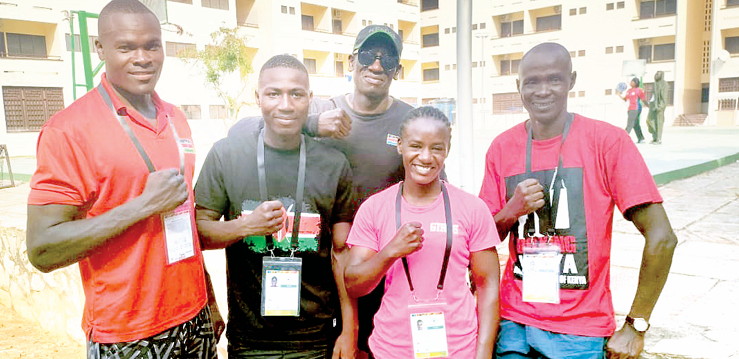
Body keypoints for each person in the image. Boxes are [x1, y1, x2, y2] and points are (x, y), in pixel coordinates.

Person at [25, 1, 220, 357]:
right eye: (126, 47)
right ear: (101, 49)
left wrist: (207, 296)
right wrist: (143, 206)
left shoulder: (175, 117)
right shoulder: (69, 130)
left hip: (194, 317)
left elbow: (183, 220)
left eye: (152, 45)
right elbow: (42, 248)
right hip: (128, 331)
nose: (143, 57)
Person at [479, 42, 677, 359]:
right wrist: (512, 210)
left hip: (579, 333)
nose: (542, 91)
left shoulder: (607, 141)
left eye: (554, 79)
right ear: (519, 86)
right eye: (532, 81)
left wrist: (635, 325)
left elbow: (662, 237)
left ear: (571, 81)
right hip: (514, 325)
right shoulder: (502, 148)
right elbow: (484, 237)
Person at [229, 25, 415, 356]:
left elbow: (430, 186)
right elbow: (247, 127)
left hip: (384, 267)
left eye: (387, 59)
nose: (376, 66)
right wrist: (311, 125)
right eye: (368, 56)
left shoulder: (409, 120)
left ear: (397, 70)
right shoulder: (318, 109)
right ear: (350, 61)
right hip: (328, 267)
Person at [194, 54, 358, 359]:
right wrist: (246, 226)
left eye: (296, 94)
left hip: (315, 337)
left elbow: (342, 254)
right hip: (250, 338)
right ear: (258, 98)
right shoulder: (226, 155)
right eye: (273, 93)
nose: (285, 104)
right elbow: (198, 235)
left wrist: (350, 330)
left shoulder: (334, 164)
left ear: (310, 99)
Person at [345, 106, 501, 359]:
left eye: (436, 148)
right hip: (391, 350)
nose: (426, 157)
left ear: (447, 150)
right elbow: (353, 285)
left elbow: (488, 285)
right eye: (416, 146)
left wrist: (483, 353)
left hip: (459, 350)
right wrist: (390, 251)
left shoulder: (472, 208)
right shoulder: (374, 208)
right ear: (400, 146)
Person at [618, 77, 647, 143]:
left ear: (636, 83)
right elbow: (625, 99)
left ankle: (623, 138)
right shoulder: (629, 91)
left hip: (635, 109)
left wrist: (648, 106)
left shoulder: (639, 90)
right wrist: (619, 95)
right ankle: (641, 138)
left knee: (630, 124)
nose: (630, 83)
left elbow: (643, 99)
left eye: (632, 81)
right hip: (630, 109)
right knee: (635, 124)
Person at [647, 71, 668, 144]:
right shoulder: (654, 84)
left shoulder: (664, 84)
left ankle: (658, 139)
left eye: (658, 74)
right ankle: (654, 137)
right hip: (653, 105)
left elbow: (664, 96)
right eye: (656, 74)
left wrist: (661, 106)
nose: (656, 75)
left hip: (660, 106)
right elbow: (653, 96)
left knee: (659, 122)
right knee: (650, 120)